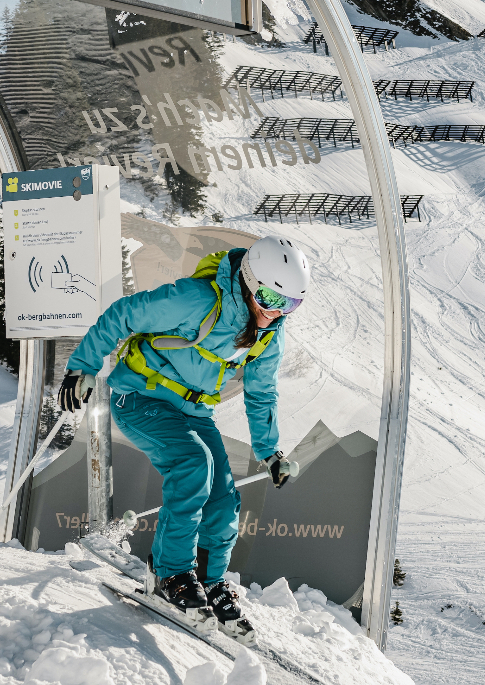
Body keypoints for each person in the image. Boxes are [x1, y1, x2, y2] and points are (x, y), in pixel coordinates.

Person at [58, 236, 311, 635]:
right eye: (268, 297)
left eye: (289, 305)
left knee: (225, 497)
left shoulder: (268, 334)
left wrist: (270, 452)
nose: (274, 312)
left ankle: (209, 583)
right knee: (194, 465)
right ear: (247, 281)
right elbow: (125, 313)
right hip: (141, 396)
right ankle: (169, 576)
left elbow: (261, 393)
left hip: (193, 409)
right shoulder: (196, 299)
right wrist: (83, 366)